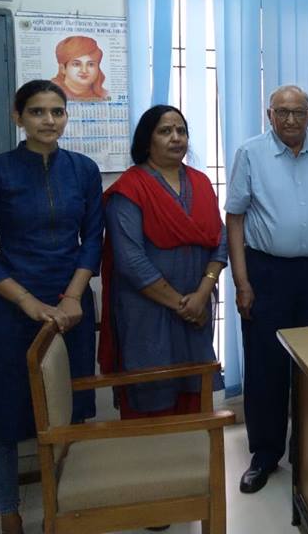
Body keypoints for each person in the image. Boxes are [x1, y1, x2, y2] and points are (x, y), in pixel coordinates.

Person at [0, 80, 102, 534]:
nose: (49, 120)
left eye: (57, 111)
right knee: (5, 416)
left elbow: (92, 240)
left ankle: (62, 506)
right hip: (13, 310)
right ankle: (9, 512)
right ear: (18, 117)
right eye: (38, 111)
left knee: (70, 412)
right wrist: (27, 302)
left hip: (71, 309)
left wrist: (72, 297)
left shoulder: (83, 170)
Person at [225, 85, 308, 495]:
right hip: (267, 272)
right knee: (265, 365)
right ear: (270, 115)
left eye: (298, 112)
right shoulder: (251, 153)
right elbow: (235, 219)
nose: (291, 120)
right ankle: (265, 454)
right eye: (282, 112)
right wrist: (242, 282)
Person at [99, 105, 226, 419]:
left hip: (196, 308)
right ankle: (151, 452)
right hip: (147, 311)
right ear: (147, 140)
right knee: (151, 394)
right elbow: (131, 261)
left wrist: (201, 295)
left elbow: (220, 240)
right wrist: (183, 305)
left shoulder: (201, 183)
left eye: (181, 131)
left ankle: (194, 452)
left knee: (194, 394)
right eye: (165, 131)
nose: (176, 137)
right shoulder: (130, 189)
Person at [51, 35, 110, 101]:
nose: (84, 71)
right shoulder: (50, 93)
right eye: (76, 64)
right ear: (63, 69)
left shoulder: (103, 95)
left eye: (91, 64)